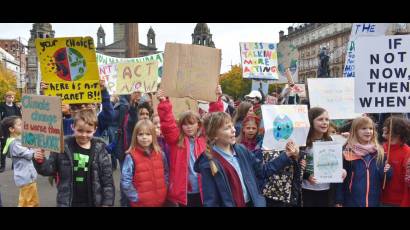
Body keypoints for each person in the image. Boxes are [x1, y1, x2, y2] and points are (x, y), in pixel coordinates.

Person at [194, 112, 298, 207]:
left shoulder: (241, 150)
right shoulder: (209, 162)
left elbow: (263, 171)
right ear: (214, 135)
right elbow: (211, 201)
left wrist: (286, 154)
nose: (234, 130)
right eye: (227, 128)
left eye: (232, 126)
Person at [156, 85, 224, 207]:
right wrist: (164, 102)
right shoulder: (176, 140)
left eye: (192, 123)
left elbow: (215, 120)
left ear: (198, 124)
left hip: (204, 189)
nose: (188, 127)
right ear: (180, 126)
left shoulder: (205, 138)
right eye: (185, 124)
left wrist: (217, 99)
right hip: (185, 191)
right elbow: (167, 123)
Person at [33, 109, 114, 207]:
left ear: (95, 130)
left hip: (93, 202)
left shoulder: (100, 150)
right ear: (73, 127)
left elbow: (107, 181)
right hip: (67, 202)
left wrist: (107, 203)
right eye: (80, 130)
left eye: (88, 132)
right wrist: (40, 160)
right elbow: (48, 170)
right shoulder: (62, 147)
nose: (84, 135)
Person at [335, 116, 392, 207]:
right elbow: (339, 180)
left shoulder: (379, 152)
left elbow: (385, 179)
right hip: (351, 202)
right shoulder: (347, 151)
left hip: (373, 201)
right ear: (355, 131)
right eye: (363, 128)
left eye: (371, 128)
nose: (368, 131)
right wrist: (339, 199)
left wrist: (387, 171)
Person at [301, 107, 346, 207]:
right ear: (310, 121)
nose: (325, 122)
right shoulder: (303, 142)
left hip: (327, 190)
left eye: (327, 119)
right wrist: (307, 176)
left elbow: (336, 162)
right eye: (320, 119)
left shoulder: (331, 140)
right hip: (307, 189)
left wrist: (341, 171)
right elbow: (297, 165)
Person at [121, 119, 169, 207]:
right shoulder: (131, 157)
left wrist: (164, 189)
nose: (144, 137)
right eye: (140, 134)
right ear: (135, 136)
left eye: (148, 134)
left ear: (153, 136)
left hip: (160, 201)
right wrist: (137, 197)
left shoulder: (160, 154)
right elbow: (126, 182)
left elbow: (166, 173)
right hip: (141, 204)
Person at [1, 116, 40, 207]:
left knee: (25, 201)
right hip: (26, 177)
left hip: (25, 177)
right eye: (20, 125)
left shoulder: (18, 139)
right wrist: (36, 151)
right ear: (11, 129)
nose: (23, 126)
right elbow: (28, 154)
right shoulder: (15, 143)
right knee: (31, 202)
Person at [380, 116, 410, 207]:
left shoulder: (407, 151)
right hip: (380, 199)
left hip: (399, 201)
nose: (384, 129)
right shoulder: (380, 148)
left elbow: (407, 181)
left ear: (398, 133)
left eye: (388, 127)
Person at [0, 91, 22, 172]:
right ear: (5, 97)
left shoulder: (16, 108)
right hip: (4, 130)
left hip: (14, 131)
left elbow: (20, 118)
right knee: (3, 148)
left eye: (12, 97)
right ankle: (2, 166)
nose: (11, 98)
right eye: (9, 97)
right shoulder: (1, 106)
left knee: (15, 147)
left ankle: (14, 165)